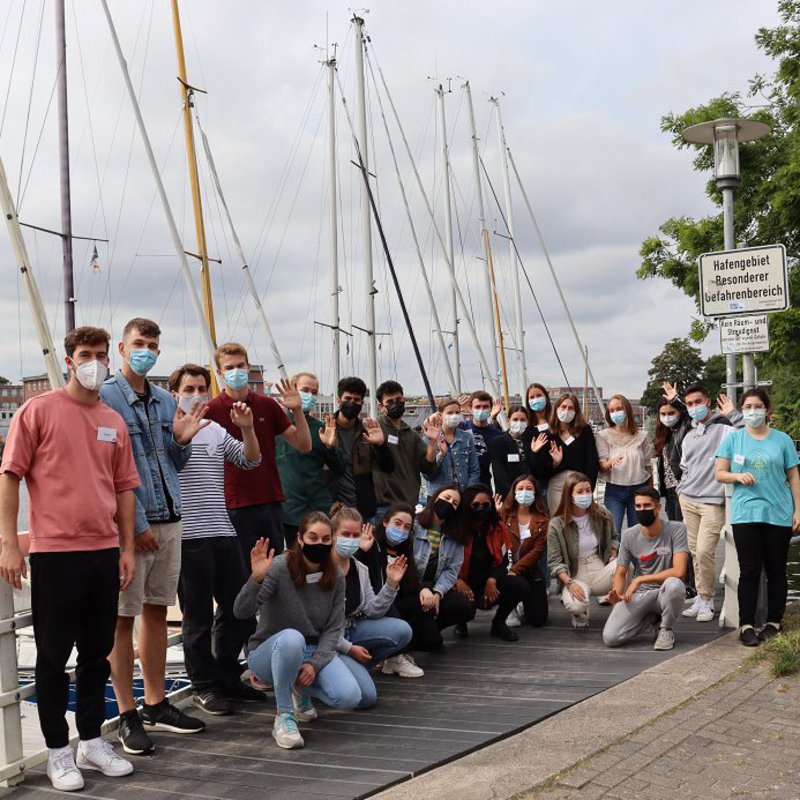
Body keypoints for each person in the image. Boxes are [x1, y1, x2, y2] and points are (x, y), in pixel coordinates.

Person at [0, 326, 137, 791]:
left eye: (100, 355)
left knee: (97, 655)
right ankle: (58, 751)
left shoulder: (113, 421)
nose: (94, 362)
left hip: (103, 551)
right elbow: (11, 475)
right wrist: (8, 543)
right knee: (52, 655)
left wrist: (127, 547)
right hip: (55, 554)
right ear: (68, 360)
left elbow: (124, 487)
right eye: (85, 354)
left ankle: (91, 741)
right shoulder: (37, 411)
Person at [100, 318, 207, 754]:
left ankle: (156, 703)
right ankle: (127, 714)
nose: (145, 350)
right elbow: (107, 469)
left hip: (172, 519)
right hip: (132, 526)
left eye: (152, 345)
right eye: (138, 344)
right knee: (122, 619)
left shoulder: (165, 400)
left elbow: (171, 465)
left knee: (158, 612)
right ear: (122, 349)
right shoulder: (105, 398)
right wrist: (137, 524)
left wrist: (181, 443)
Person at [170, 364, 263, 715]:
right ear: (175, 391)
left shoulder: (215, 429)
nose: (196, 394)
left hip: (223, 530)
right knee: (196, 618)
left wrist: (248, 429)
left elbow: (250, 460)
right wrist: (180, 438)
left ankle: (227, 675)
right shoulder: (170, 428)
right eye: (188, 388)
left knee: (240, 609)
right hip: (189, 535)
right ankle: (204, 686)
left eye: (200, 387)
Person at [233, 512, 363, 750]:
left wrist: (315, 664)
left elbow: (334, 629)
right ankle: (283, 717)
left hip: (311, 650)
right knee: (292, 638)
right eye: (313, 537)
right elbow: (241, 611)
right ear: (300, 539)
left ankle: (296, 686)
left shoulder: (336, 576)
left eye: (325, 539)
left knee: (350, 696)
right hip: (269, 650)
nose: (319, 544)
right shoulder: (280, 568)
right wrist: (256, 578)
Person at [205, 342, 311, 558]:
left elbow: (304, 444)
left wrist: (298, 411)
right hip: (230, 504)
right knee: (239, 574)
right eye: (229, 367)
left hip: (268, 500)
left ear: (248, 366)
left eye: (240, 365)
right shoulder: (212, 410)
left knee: (273, 571)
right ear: (219, 373)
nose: (236, 371)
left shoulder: (268, 405)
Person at [715, 389, 800, 646]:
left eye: (758, 406)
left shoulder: (782, 440)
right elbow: (720, 473)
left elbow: (794, 476)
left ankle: (774, 621)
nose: (753, 411)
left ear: (767, 410)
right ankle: (746, 624)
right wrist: (737, 476)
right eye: (748, 406)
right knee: (749, 570)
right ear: (742, 410)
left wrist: (798, 509)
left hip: (778, 512)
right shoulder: (733, 439)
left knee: (776, 570)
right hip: (745, 513)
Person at [329, 503, 416, 692]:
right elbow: (320, 625)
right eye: (345, 534)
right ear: (333, 535)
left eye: (355, 535)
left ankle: (358, 668)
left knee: (402, 630)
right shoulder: (323, 569)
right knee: (361, 697)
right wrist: (349, 648)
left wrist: (391, 585)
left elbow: (371, 611)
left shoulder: (360, 568)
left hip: (351, 629)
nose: (351, 540)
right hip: (328, 641)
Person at [603, 487, 689, 651]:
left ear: (658, 507)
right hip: (641, 594)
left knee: (675, 584)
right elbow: (620, 572)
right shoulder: (629, 535)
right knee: (611, 637)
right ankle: (651, 618)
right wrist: (616, 594)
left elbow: (679, 571)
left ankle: (666, 628)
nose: (642, 510)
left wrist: (640, 579)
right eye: (638, 506)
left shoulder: (676, 529)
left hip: (665, 592)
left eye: (647, 506)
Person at [676, 385, 734, 624]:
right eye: (689, 404)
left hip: (712, 501)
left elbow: (746, 435)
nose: (694, 407)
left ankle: (708, 599)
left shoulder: (724, 429)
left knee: (704, 551)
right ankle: (701, 596)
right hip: (688, 499)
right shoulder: (689, 434)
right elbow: (685, 467)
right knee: (694, 553)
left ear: (707, 401)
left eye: (697, 402)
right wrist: (682, 490)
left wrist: (734, 414)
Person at [453, 484, 533, 641]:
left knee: (520, 585)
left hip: (490, 582)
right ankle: (460, 623)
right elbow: (444, 564)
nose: (481, 509)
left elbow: (504, 562)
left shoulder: (498, 528)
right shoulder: (455, 530)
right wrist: (457, 581)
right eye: (475, 505)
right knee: (464, 607)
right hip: (463, 582)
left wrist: (492, 580)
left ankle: (499, 623)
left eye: (486, 505)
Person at [276, 372, 344, 548]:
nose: (310, 396)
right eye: (305, 390)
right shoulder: (275, 424)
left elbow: (340, 469)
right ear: (293, 389)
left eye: (315, 392)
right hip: (287, 511)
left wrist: (330, 447)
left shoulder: (321, 428)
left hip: (318, 509)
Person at [402, 486, 475, 649]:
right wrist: (421, 588)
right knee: (432, 643)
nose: (450, 503)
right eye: (447, 498)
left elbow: (452, 570)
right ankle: (422, 635)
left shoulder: (456, 535)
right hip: (410, 586)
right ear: (435, 498)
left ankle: (430, 630)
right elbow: (406, 561)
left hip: (433, 587)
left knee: (465, 607)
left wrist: (438, 592)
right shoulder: (413, 525)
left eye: (455, 503)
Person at [360, 502, 427, 677]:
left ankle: (395, 653)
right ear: (385, 522)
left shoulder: (405, 549)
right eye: (397, 523)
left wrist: (424, 589)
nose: (401, 530)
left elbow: (411, 584)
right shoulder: (371, 545)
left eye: (407, 527)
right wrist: (363, 551)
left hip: (393, 599)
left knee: (431, 635)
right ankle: (395, 656)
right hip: (371, 603)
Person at [547, 472, 619, 629]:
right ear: (569, 495)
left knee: (624, 566)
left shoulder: (602, 513)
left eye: (588, 490)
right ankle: (580, 613)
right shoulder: (556, 524)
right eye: (580, 491)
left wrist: (613, 554)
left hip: (598, 564)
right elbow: (554, 562)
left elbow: (614, 536)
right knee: (576, 605)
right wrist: (569, 583)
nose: (585, 494)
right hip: (575, 572)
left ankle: (621, 612)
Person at [330, 376, 394, 521]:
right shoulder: (326, 430)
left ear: (362, 403)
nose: (352, 403)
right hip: (331, 509)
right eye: (347, 398)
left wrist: (381, 445)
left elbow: (388, 467)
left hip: (362, 511)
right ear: (339, 400)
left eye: (356, 399)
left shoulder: (367, 432)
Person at [373, 380, 438, 516]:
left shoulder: (411, 435)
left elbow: (427, 468)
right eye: (390, 401)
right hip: (383, 506)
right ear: (381, 406)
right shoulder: (375, 430)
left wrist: (432, 442)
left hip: (409, 505)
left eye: (398, 399)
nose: (395, 404)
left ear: (404, 400)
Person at [531, 392, 600, 512]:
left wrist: (590, 486)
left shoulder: (584, 431)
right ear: (556, 408)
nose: (566, 410)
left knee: (580, 520)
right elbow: (542, 470)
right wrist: (555, 463)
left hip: (580, 483)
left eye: (570, 408)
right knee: (558, 521)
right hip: (557, 484)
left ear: (576, 411)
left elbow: (592, 460)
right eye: (563, 407)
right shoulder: (548, 433)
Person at [596, 394, 653, 533]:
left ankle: (634, 556)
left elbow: (648, 466)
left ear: (627, 409)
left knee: (637, 532)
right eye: (612, 410)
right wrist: (609, 463)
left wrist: (651, 493)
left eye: (619, 409)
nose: (616, 413)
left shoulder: (641, 436)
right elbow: (602, 466)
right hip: (614, 490)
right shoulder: (603, 436)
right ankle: (615, 556)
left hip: (639, 489)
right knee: (614, 531)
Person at [500, 475, 550, 628]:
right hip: (505, 571)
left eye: (529, 489)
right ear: (514, 492)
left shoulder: (543, 519)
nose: (524, 492)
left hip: (530, 571)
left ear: (535, 493)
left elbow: (537, 551)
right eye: (520, 489)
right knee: (510, 583)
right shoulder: (503, 514)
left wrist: (516, 570)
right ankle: (510, 607)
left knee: (538, 619)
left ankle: (523, 603)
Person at [423, 398, 479, 500]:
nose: (454, 416)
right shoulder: (430, 439)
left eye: (457, 412)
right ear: (440, 415)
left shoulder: (467, 438)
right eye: (450, 412)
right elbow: (428, 475)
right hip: (437, 496)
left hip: (462, 495)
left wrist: (469, 492)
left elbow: (474, 470)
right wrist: (441, 455)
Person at [654, 385, 690, 522]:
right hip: (669, 490)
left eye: (671, 413)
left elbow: (690, 416)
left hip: (683, 486)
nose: (667, 417)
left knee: (683, 530)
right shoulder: (664, 434)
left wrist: (676, 400)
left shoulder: (685, 428)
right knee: (674, 529)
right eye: (663, 414)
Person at [490, 404, 540, 498]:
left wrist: (534, 452)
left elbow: (537, 470)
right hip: (508, 493)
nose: (519, 423)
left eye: (522, 420)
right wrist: (513, 492)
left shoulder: (533, 440)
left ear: (527, 421)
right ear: (508, 421)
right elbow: (499, 472)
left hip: (530, 492)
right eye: (515, 419)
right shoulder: (499, 442)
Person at [458, 391, 504, 486]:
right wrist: (454, 407)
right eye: (477, 407)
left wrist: (494, 418)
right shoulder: (461, 428)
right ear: (470, 409)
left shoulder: (497, 434)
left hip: (484, 484)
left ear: (491, 408)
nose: (481, 410)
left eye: (485, 407)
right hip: (460, 484)